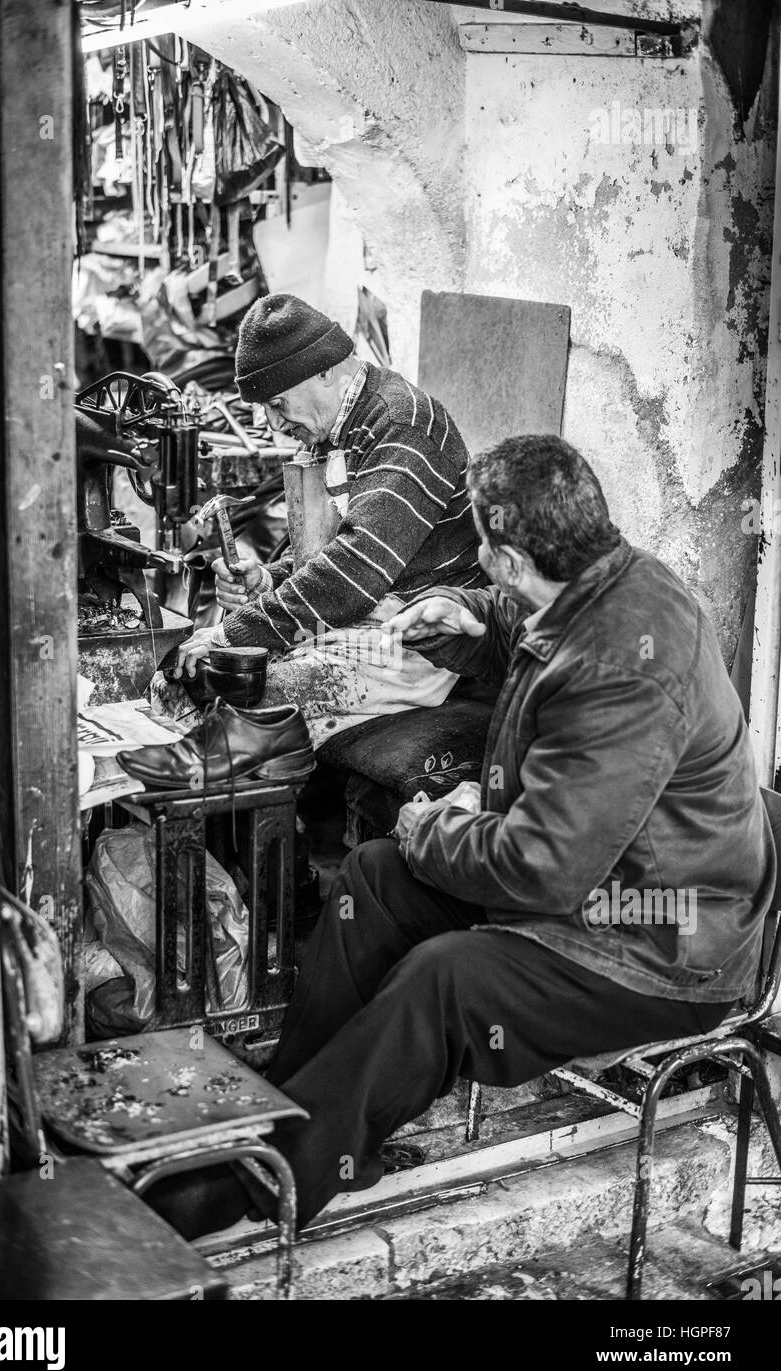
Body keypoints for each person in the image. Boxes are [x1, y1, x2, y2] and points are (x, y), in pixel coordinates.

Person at [196, 433, 774, 1233]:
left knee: (449, 974)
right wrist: (466, 614)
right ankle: (295, 1119)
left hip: (665, 925)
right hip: (608, 887)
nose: (479, 560)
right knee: (375, 875)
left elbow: (542, 872)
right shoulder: (599, 579)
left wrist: (431, 825)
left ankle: (264, 1190)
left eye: (480, 553)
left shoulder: (624, 666)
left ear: (503, 553)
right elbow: (535, 630)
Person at [170, 293, 483, 745]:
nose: (274, 424)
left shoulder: (403, 425)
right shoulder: (332, 430)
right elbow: (332, 553)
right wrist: (269, 579)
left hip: (412, 639)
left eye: (278, 404)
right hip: (354, 622)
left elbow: (356, 569)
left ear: (324, 370)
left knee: (230, 698)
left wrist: (230, 631)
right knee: (185, 683)